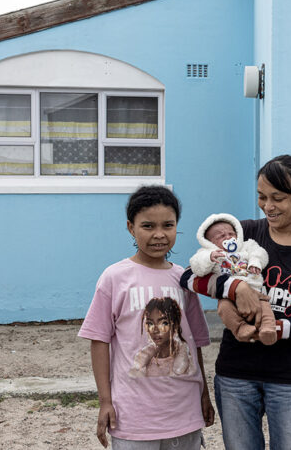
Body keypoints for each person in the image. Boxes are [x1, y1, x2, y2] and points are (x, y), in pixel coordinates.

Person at [180, 154, 291, 450]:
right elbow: (189, 276)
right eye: (261, 197)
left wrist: (279, 329)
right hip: (236, 375)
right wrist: (235, 287)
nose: (268, 206)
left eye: (277, 198)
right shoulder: (245, 234)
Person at [78, 185, 215, 449]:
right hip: (132, 418)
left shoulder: (185, 279)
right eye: (148, 226)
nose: (159, 234)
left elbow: (194, 343)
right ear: (131, 228)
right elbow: (99, 340)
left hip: (184, 414)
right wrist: (105, 401)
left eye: (168, 225)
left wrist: (204, 394)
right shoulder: (114, 278)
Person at [189, 212, 277, 344]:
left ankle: (268, 329)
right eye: (221, 236)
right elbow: (196, 266)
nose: (228, 237)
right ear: (210, 242)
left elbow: (260, 253)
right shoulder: (208, 253)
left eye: (231, 233)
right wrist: (209, 258)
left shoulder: (247, 245)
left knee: (265, 306)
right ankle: (241, 329)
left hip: (255, 290)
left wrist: (255, 262)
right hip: (228, 296)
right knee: (224, 309)